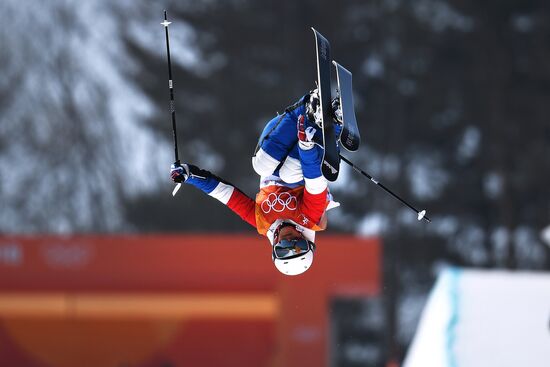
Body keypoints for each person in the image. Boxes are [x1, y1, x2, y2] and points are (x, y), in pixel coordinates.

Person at [170, 89, 341, 276]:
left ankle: (306, 109)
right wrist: (307, 148)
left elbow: (226, 195)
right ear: (307, 242)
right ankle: (331, 124)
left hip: (278, 141)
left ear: (275, 248)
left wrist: (190, 175)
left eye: (284, 248)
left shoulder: (262, 222)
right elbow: (315, 183)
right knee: (290, 174)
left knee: (260, 166)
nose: (289, 240)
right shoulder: (310, 218)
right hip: (306, 158)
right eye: (298, 245)